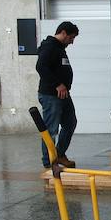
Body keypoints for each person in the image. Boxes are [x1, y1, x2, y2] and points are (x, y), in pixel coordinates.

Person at [36, 21, 79, 169]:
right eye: (71, 38)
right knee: (51, 129)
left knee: (70, 123)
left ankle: (59, 154)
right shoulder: (49, 46)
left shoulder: (59, 48)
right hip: (51, 95)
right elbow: (40, 67)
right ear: (63, 33)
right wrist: (58, 84)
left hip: (63, 95)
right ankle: (49, 161)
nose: (72, 42)